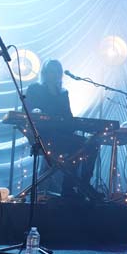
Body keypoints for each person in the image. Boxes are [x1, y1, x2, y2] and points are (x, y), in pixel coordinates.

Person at [24, 59, 99, 198]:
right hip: (44, 137)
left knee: (93, 144)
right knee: (78, 146)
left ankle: (80, 184)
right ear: (44, 73)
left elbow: (68, 118)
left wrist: (85, 126)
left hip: (62, 135)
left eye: (56, 71)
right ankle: (70, 187)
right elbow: (28, 111)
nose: (53, 74)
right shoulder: (35, 89)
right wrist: (36, 112)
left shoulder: (64, 94)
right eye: (50, 71)